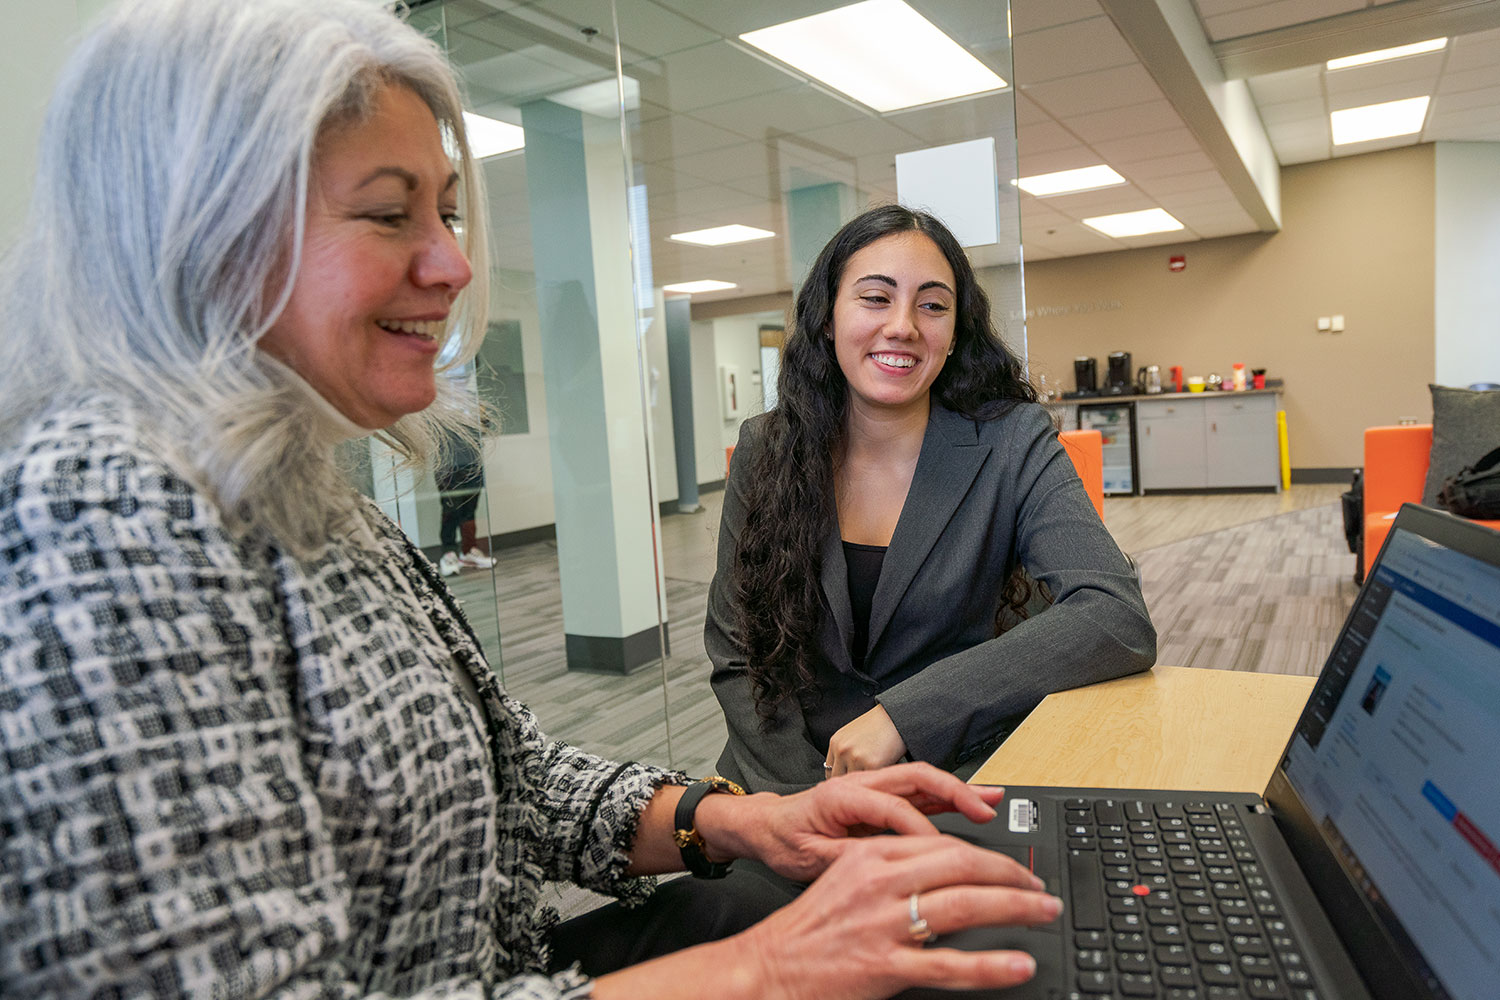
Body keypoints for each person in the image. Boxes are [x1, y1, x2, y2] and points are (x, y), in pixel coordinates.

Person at [0, 2, 1064, 998]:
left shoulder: (309, 497)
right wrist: (764, 968)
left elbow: (518, 777)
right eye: (388, 213)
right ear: (195, 226)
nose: (456, 263)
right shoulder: (94, 526)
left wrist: (739, 819)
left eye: (449, 212)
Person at [707, 205, 1157, 794]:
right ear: (826, 319)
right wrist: (805, 810)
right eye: (875, 298)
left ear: (955, 332)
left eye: (933, 305)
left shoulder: (1013, 441)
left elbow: (1115, 615)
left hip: (949, 778)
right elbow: (739, 652)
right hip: (781, 785)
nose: (903, 326)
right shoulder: (767, 448)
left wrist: (906, 716)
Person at [436, 418, 496, 576]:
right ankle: (448, 553)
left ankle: (468, 551)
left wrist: (480, 418)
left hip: (472, 462)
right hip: (449, 464)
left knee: (470, 511)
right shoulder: (441, 401)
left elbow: (485, 426)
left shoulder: (470, 400)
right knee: (451, 510)